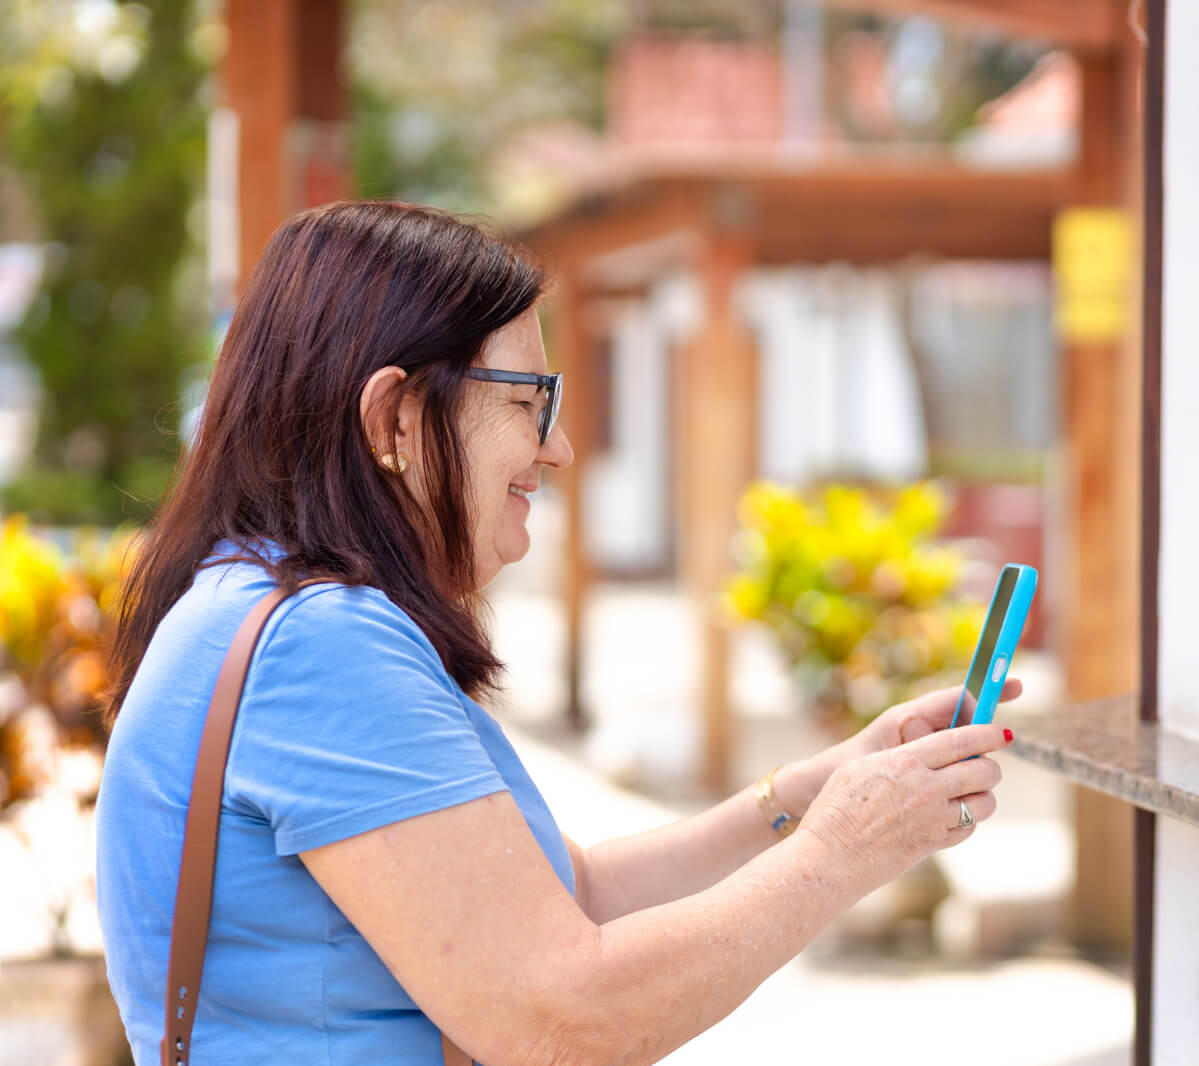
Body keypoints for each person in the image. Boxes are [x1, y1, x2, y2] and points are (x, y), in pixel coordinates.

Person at [96, 200, 1016, 1066]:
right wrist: (846, 850)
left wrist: (808, 796)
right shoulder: (323, 646)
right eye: (525, 399)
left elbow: (569, 897)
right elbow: (560, 1018)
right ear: (397, 417)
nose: (557, 446)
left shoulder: (251, 597)